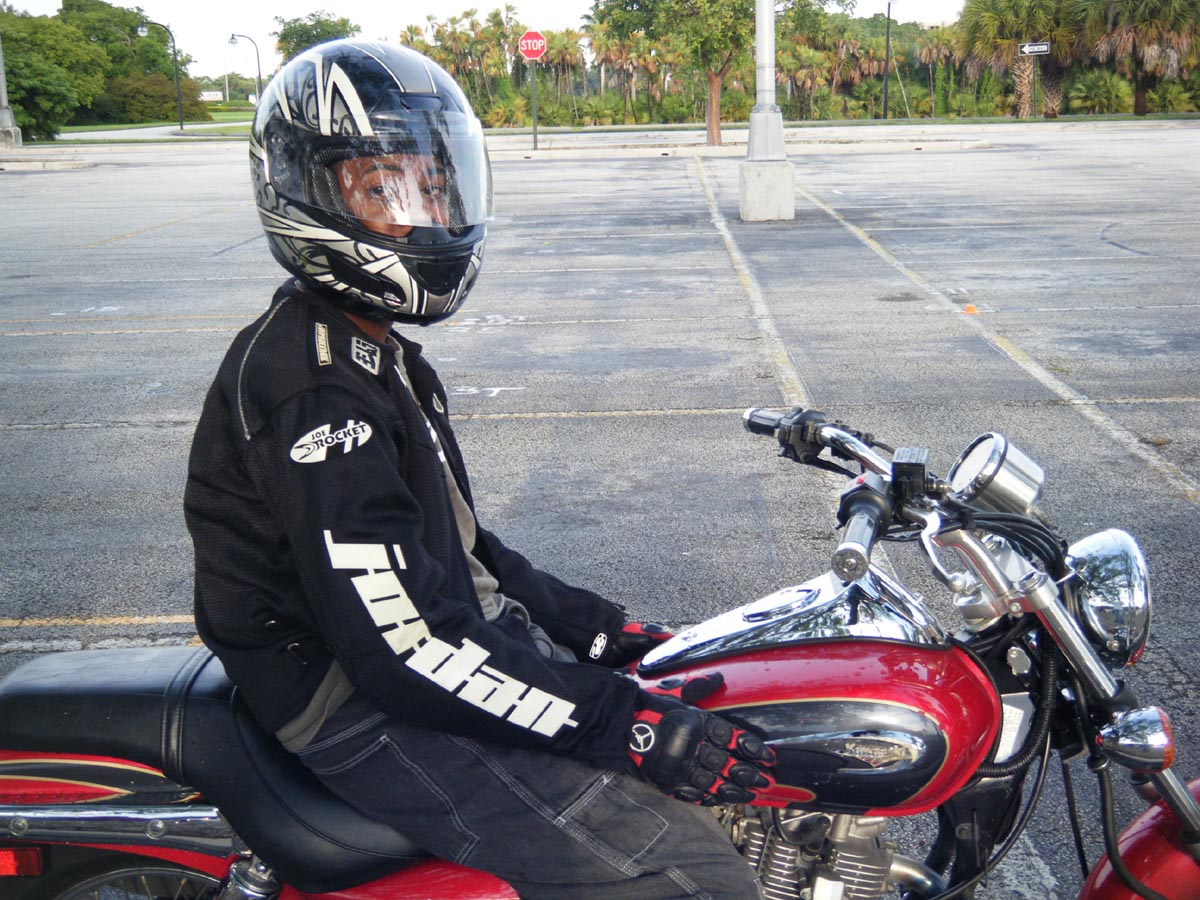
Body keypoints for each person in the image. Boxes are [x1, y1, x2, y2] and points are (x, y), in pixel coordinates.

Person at [184, 40, 775, 900]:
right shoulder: (314, 389)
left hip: (434, 653)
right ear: (302, 190)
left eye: (433, 185)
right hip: (354, 701)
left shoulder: (373, 354)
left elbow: (460, 553)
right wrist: (625, 723)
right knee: (693, 874)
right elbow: (406, 646)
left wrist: (606, 632)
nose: (422, 213)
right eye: (381, 188)